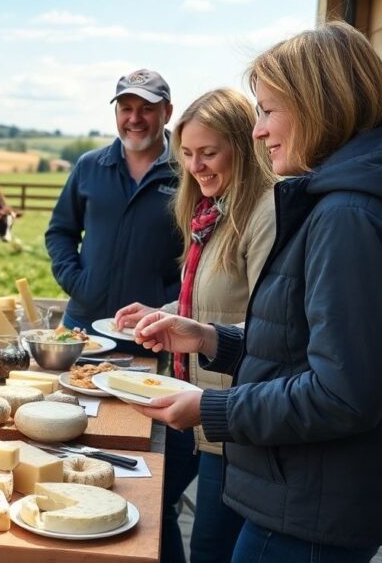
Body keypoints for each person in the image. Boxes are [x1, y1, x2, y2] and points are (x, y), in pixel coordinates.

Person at [129, 21, 382, 562]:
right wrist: (211, 339)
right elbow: (306, 348)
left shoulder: (351, 217)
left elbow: (341, 395)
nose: (257, 132)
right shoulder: (354, 205)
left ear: (318, 106)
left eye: (267, 111)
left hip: (312, 508)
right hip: (312, 496)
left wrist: (211, 407)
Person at [113, 88, 277, 563]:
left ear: (243, 148)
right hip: (199, 402)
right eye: (186, 154)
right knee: (158, 508)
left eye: (208, 153)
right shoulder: (210, 211)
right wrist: (161, 312)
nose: (195, 166)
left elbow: (273, 321)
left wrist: (199, 334)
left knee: (209, 546)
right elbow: (213, 301)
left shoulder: (263, 215)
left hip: (233, 415)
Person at [45, 69, 181, 355]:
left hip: (150, 333)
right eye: (126, 108)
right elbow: (60, 232)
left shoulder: (187, 173)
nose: (134, 118)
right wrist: (78, 283)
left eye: (147, 109)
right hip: (82, 327)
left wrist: (168, 301)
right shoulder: (89, 166)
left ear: (167, 112)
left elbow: (202, 252)